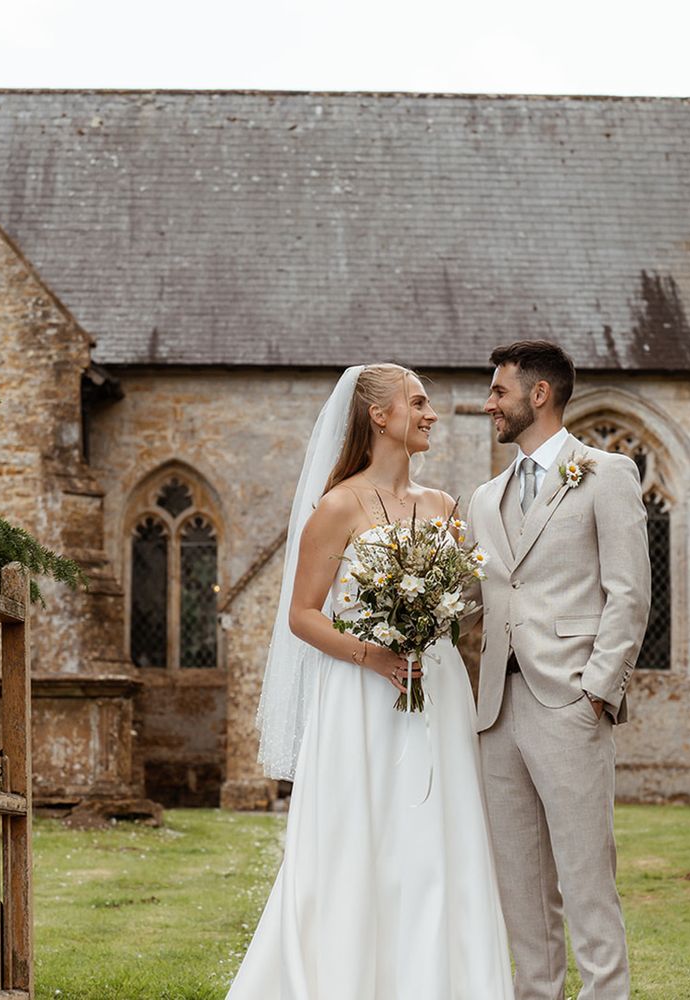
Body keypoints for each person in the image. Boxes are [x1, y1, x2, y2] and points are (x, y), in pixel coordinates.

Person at [225, 363, 513, 1000]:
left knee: (441, 837)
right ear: (379, 417)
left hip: (436, 688)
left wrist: (434, 626)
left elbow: (463, 601)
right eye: (418, 403)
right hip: (361, 694)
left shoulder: (443, 507)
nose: (431, 414)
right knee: (364, 837)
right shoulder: (338, 505)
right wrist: (373, 656)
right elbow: (302, 615)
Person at [468, 340, 651, 1000]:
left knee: (586, 883)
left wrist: (596, 694)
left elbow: (629, 593)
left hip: (569, 704)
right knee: (520, 890)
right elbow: (473, 597)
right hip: (495, 714)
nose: (489, 403)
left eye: (498, 391)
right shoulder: (483, 499)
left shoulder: (606, 473)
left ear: (537, 394)